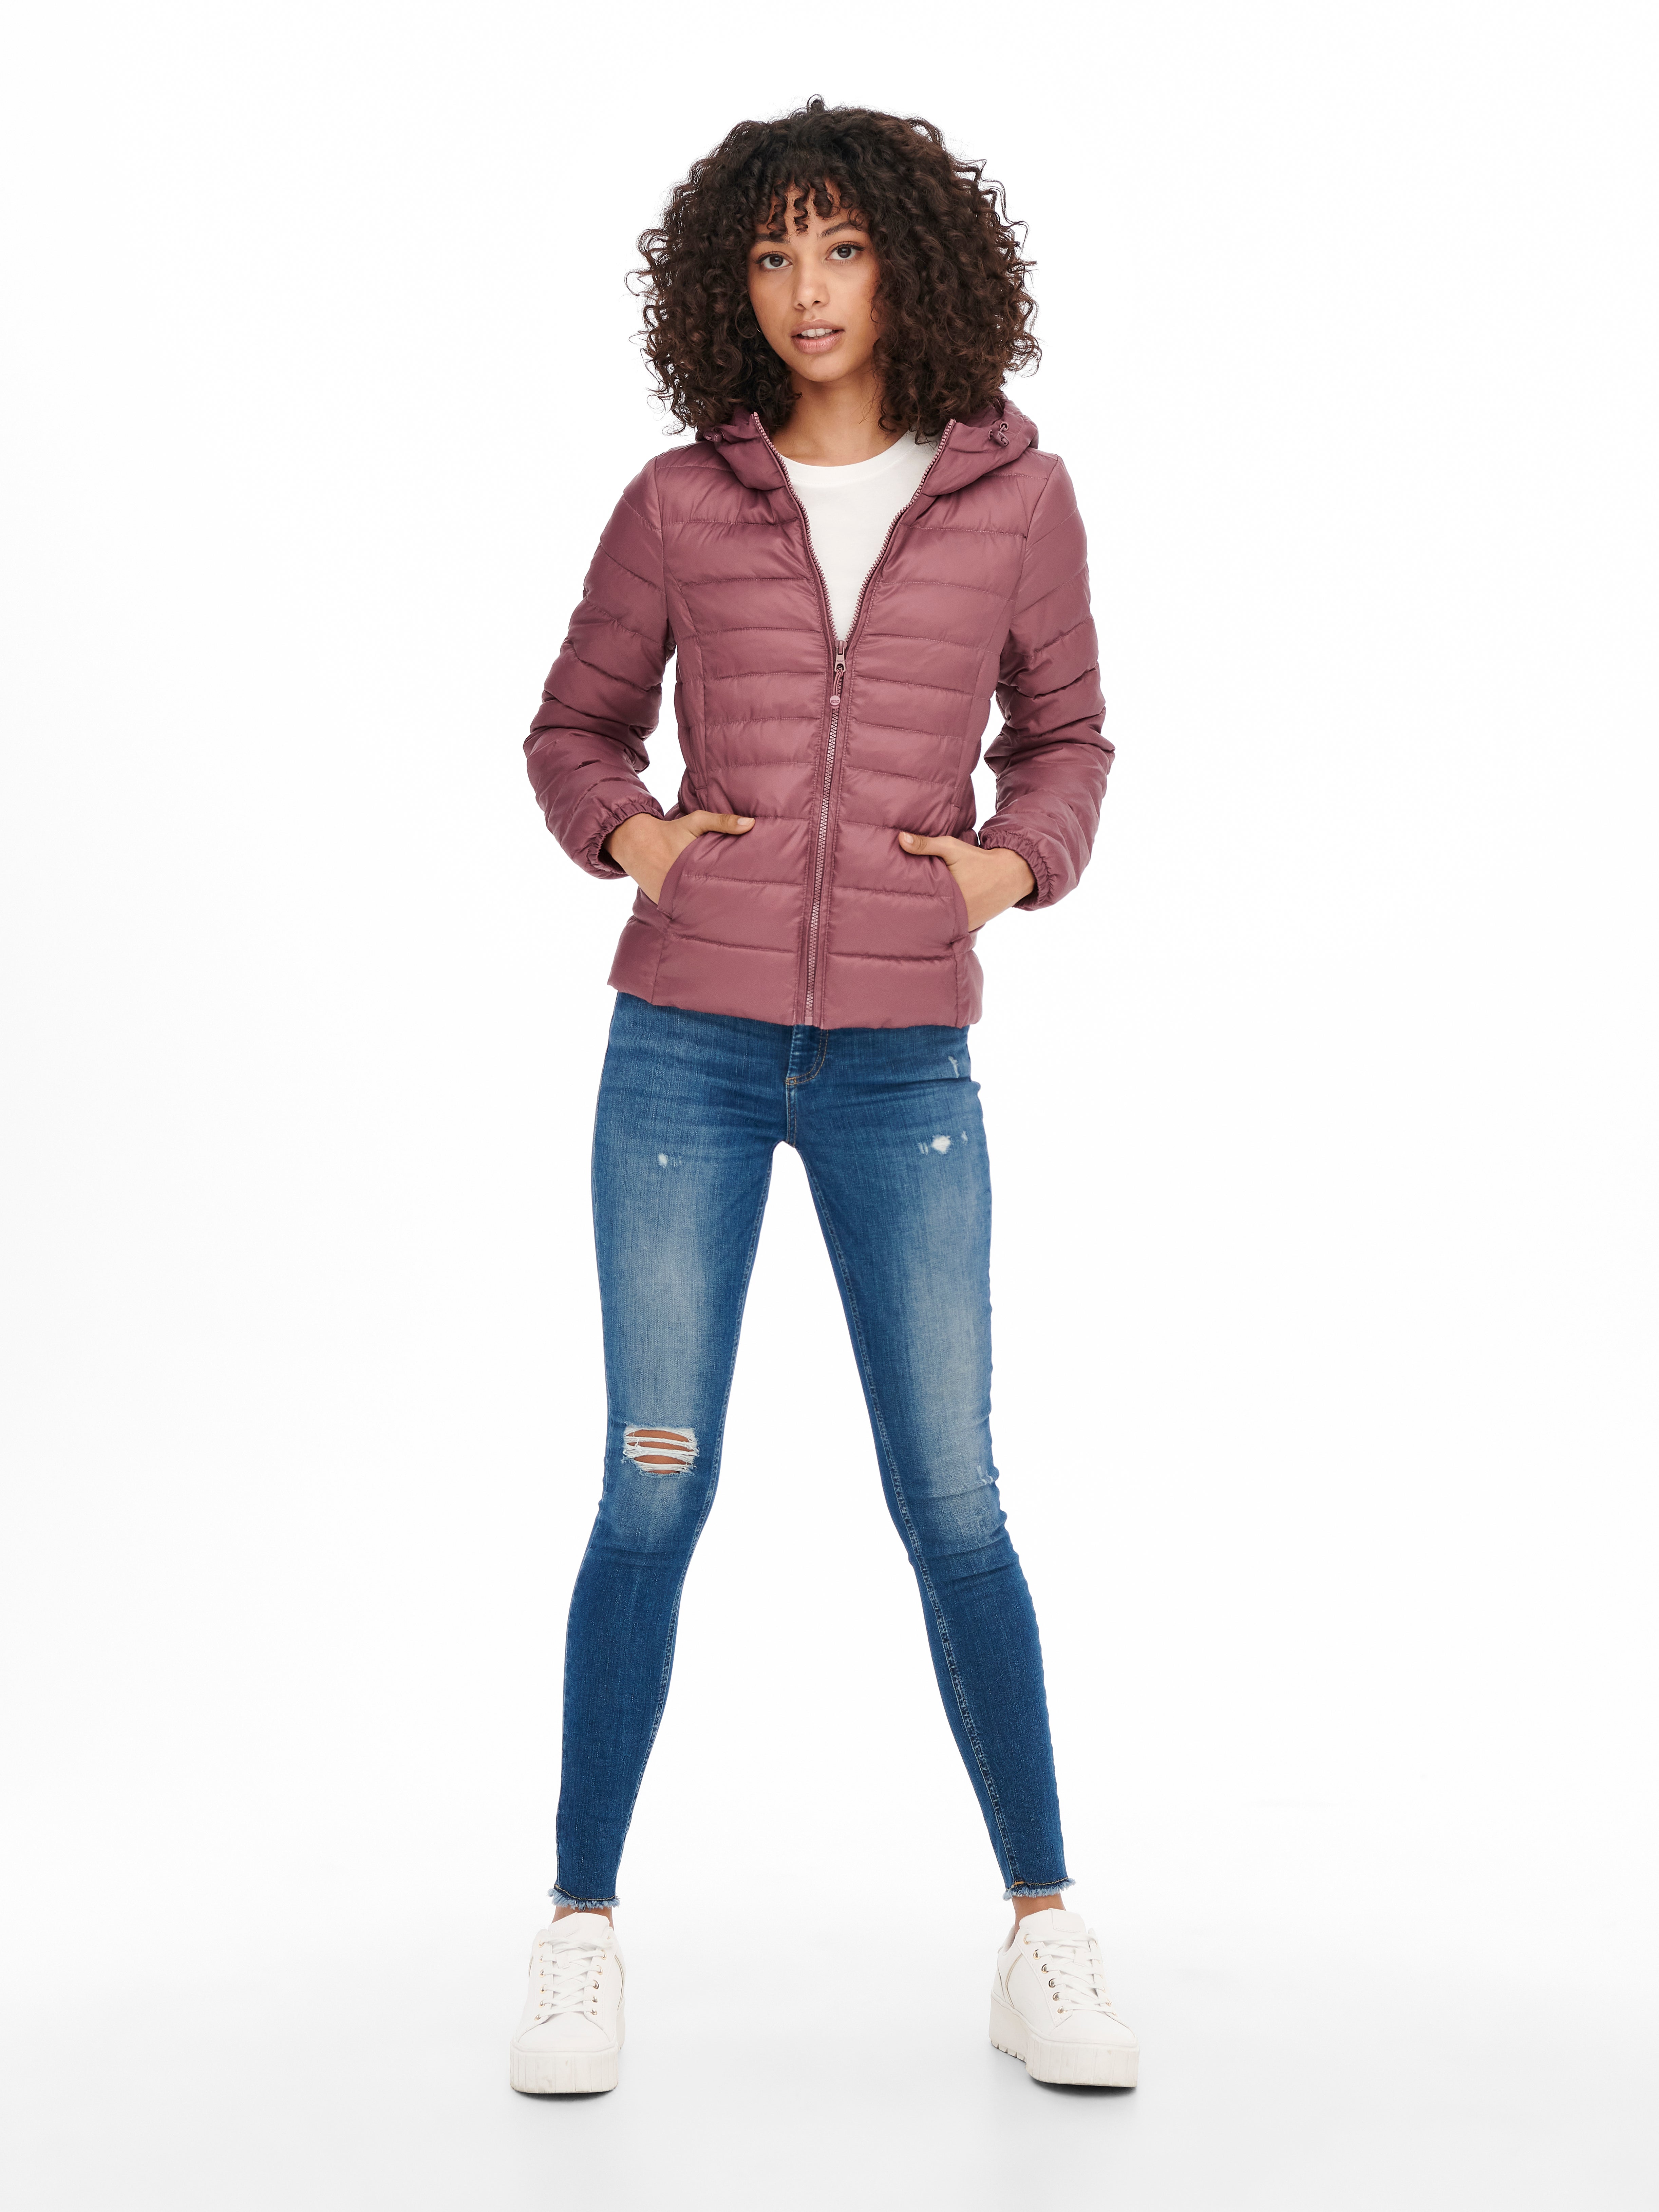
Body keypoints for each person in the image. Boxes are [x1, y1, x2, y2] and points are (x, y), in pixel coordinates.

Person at [509, 97, 1138, 2095]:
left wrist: (1009, 870)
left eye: (841, 249)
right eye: (774, 255)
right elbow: (574, 726)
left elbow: (1071, 738)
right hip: (683, 1050)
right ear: (733, 282)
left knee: (954, 1498)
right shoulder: (680, 501)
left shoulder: (1015, 495)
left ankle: (1043, 1932)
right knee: (653, 1483)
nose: (807, 290)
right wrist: (636, 841)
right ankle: (580, 1931)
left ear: (910, 264)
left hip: (903, 1060)